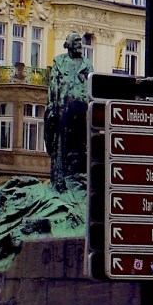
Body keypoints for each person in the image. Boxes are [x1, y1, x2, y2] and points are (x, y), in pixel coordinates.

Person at [44, 32, 93, 191]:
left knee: (81, 145)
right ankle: (60, 180)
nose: (80, 44)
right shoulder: (60, 61)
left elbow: (91, 87)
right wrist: (52, 107)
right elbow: (53, 86)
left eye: (81, 41)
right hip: (63, 109)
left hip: (81, 110)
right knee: (61, 146)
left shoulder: (87, 63)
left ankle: (79, 179)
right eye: (77, 41)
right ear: (69, 44)